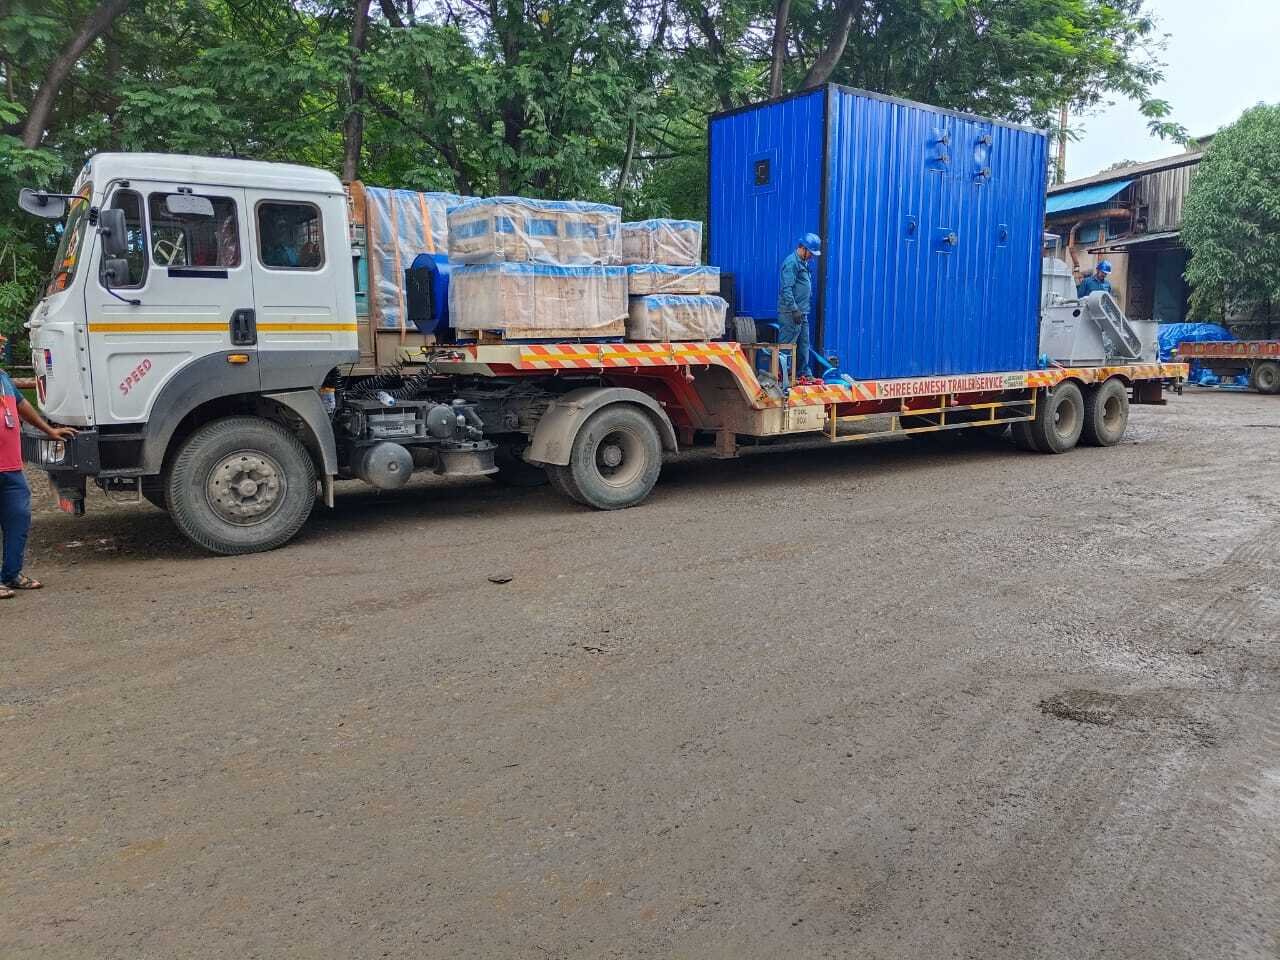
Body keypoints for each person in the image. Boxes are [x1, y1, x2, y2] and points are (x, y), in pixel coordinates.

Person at [0, 333, 77, 599]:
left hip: (11, 468)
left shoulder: (4, 379)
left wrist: (49, 431)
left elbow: (22, 406)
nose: (2, 347)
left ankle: (11, 574)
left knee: (18, 519)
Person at [777, 233, 820, 379]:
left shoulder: (803, 263)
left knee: (803, 345)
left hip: (802, 312)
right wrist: (794, 309)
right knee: (787, 346)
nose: (812, 257)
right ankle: (784, 378)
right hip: (790, 313)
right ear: (803, 248)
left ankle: (803, 374)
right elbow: (786, 289)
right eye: (811, 253)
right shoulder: (791, 263)